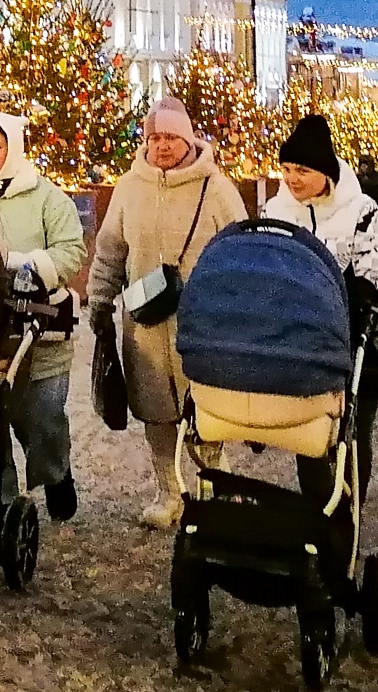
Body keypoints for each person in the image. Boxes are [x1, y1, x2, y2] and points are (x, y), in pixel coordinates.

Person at [85, 96, 246, 528]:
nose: (162, 146)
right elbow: (108, 253)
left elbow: (242, 254)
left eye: (171, 137)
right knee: (155, 414)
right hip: (144, 323)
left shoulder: (217, 190)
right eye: (154, 137)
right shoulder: (129, 187)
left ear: (188, 139)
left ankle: (219, 490)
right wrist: (99, 301)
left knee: (206, 415)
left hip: (202, 324)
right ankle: (169, 493)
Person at [0, 112, 89, 522]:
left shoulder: (45, 197)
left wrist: (27, 265)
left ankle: (56, 475)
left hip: (37, 332)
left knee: (41, 420)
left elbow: (71, 251)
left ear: (13, 149)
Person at [264, 115, 378, 503]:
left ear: (326, 171)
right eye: (286, 169)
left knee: (352, 434)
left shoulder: (362, 210)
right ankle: (317, 509)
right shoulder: (277, 209)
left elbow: (377, 270)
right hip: (301, 343)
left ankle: (348, 510)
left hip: (357, 343)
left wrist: (356, 299)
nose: (292, 179)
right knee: (310, 433)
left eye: (302, 170)